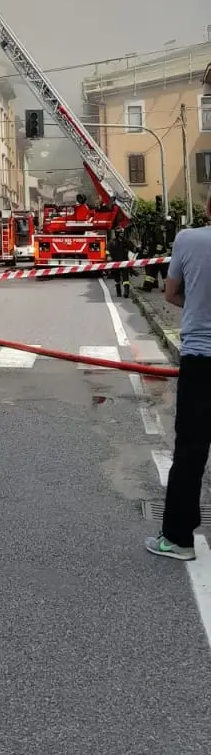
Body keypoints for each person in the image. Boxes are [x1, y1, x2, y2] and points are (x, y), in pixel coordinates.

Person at [146, 190, 211, 562]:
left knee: (190, 450)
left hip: (201, 360)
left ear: (207, 207)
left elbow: (170, 293)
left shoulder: (188, 239)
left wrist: (199, 304)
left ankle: (178, 539)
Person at [108, 224, 131, 299]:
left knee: (125, 278)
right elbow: (108, 251)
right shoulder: (112, 242)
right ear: (117, 233)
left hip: (124, 262)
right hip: (115, 263)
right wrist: (109, 259)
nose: (122, 234)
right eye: (120, 233)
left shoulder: (125, 241)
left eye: (122, 233)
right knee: (117, 278)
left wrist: (138, 249)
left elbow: (132, 248)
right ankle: (118, 292)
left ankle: (126, 292)